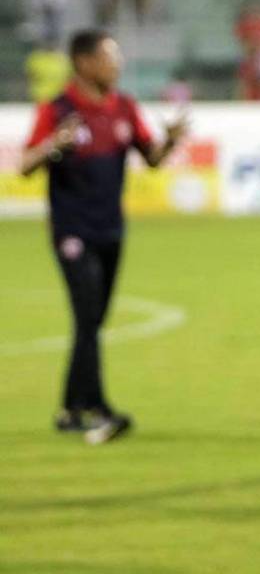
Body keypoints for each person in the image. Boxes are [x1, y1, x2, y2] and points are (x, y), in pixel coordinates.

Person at [21, 30, 188, 445]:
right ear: (84, 63)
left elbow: (151, 160)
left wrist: (169, 142)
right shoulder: (58, 110)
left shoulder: (124, 108)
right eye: (110, 57)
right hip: (72, 231)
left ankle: (71, 407)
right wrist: (52, 146)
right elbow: (25, 164)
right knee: (86, 315)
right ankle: (95, 409)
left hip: (111, 230)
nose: (118, 64)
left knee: (93, 321)